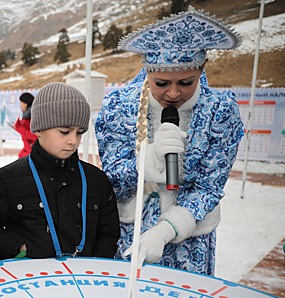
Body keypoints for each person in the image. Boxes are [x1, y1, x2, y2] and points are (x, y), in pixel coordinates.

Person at [94, 7, 244, 275]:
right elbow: (112, 178)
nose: (173, 93)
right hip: (132, 229)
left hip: (190, 236)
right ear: (148, 71)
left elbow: (209, 187)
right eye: (161, 83)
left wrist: (167, 230)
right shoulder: (119, 107)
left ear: (202, 68)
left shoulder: (220, 111)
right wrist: (148, 162)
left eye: (186, 83)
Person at [0, 82, 120, 259]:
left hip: (84, 281)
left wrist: (93, 266)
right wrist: (19, 247)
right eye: (64, 131)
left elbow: (108, 235)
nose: (73, 140)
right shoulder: (7, 179)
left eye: (79, 132)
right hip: (29, 282)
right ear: (39, 129)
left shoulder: (96, 180)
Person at [12, 92, 37, 158]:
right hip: (27, 149)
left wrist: (19, 128)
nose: (20, 105)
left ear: (26, 104)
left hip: (32, 150)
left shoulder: (33, 116)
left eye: (21, 103)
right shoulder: (27, 115)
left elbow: (35, 136)